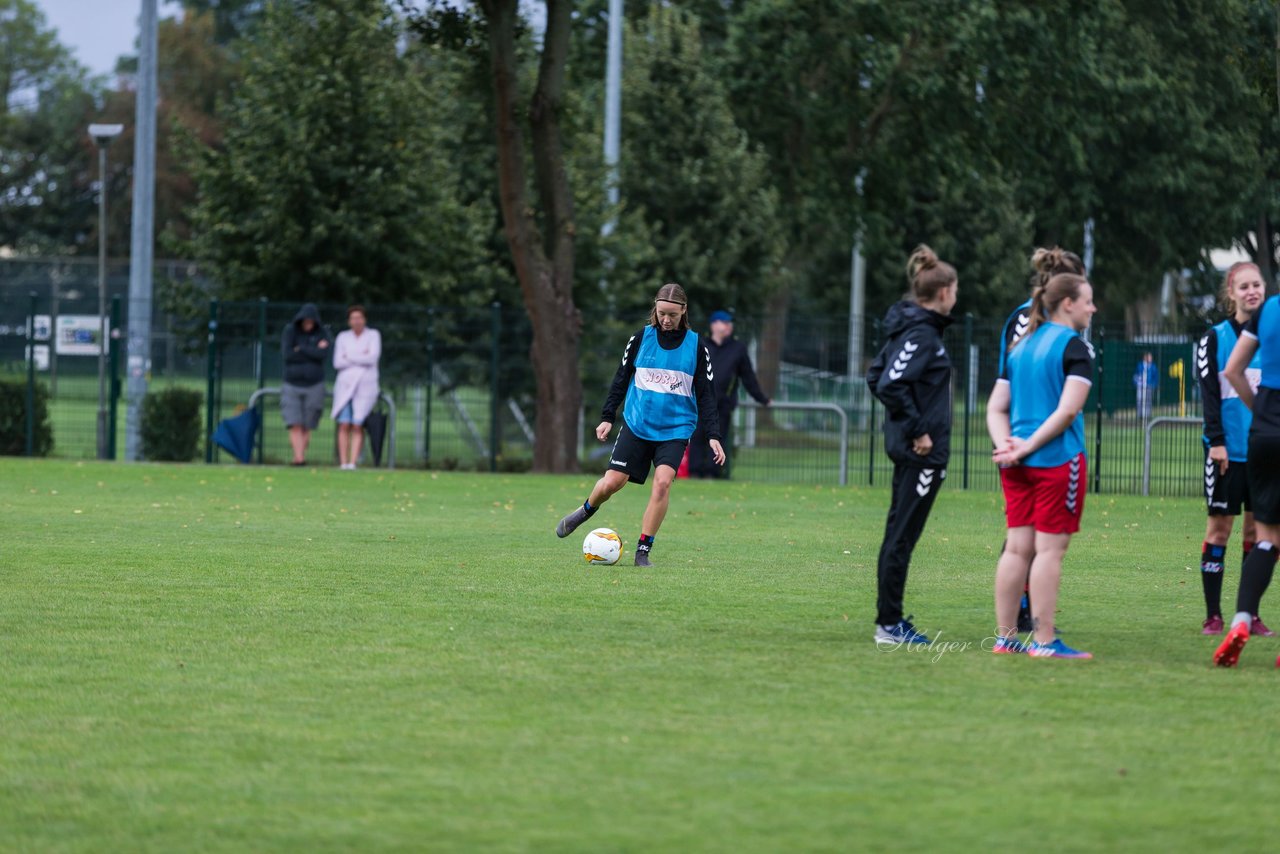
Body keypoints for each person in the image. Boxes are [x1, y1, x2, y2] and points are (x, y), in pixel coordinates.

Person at [555, 283, 724, 566]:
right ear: (655, 311)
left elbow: (707, 395)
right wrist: (608, 416)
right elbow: (621, 378)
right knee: (611, 483)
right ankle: (585, 510)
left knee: (662, 484)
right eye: (661, 314)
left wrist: (714, 435)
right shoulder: (640, 339)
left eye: (672, 314)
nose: (666, 320)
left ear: (684, 311)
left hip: (675, 430)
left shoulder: (697, 347)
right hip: (638, 425)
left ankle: (643, 551)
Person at [988, 271, 1097, 658]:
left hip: (1016, 465)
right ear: (1068, 303)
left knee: (1017, 549)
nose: (1092, 308)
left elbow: (995, 408)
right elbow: (1068, 412)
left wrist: (1008, 447)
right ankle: (1045, 642)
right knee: (1049, 551)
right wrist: (1028, 446)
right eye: (1087, 300)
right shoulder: (1073, 347)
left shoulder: (1020, 346)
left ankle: (1005, 639)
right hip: (1055, 461)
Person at [864, 245, 958, 646]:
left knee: (898, 535)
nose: (956, 296)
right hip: (921, 454)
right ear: (942, 293)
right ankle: (889, 625)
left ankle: (890, 620)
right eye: (954, 290)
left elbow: (875, 376)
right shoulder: (920, 334)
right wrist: (918, 431)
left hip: (914, 452)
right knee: (901, 537)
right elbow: (887, 383)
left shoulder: (912, 330)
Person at [1197, 262, 1271, 636]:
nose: (1251, 292)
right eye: (1243, 287)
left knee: (1257, 535)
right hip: (1227, 454)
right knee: (1220, 530)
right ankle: (1213, 614)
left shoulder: (1272, 336)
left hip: (1263, 454)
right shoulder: (1215, 338)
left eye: (1256, 285)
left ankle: (1249, 615)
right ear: (1232, 293)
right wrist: (1218, 442)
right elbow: (1210, 396)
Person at [1213, 280, 1280, 667]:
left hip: (1265, 433)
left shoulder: (1268, 309)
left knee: (1267, 540)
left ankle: (1239, 621)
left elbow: (1233, 369)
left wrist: (1261, 412)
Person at [688, 310, 770, 478]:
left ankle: (713, 473)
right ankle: (694, 473)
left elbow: (748, 377)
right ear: (714, 325)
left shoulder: (737, 349)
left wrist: (762, 399)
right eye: (724, 322)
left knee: (718, 439)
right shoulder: (701, 345)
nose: (728, 326)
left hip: (722, 406)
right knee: (696, 438)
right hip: (698, 403)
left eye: (729, 323)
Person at [280, 304, 331, 465]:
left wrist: (300, 348)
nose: (308, 324)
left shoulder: (323, 333)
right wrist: (312, 350)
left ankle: (299, 455)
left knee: (307, 425)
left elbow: (322, 354)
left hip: (314, 384)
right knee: (294, 423)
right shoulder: (290, 331)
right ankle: (299, 458)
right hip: (292, 383)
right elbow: (288, 355)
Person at [331, 305, 381, 470]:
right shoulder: (343, 337)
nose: (356, 321)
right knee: (344, 424)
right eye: (353, 318)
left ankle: (353, 462)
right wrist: (361, 356)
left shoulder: (373, 335)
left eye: (359, 317)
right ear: (349, 321)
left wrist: (350, 356)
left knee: (357, 424)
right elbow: (338, 362)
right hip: (345, 386)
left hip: (364, 387)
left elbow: (372, 358)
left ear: (364, 319)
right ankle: (343, 462)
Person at [1134, 352, 1158, 420]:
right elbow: (1136, 375)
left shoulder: (1153, 367)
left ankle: (1147, 415)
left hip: (1149, 386)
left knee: (1148, 401)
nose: (1149, 358)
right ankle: (1140, 415)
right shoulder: (1140, 365)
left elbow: (1155, 377)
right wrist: (1137, 382)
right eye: (1148, 357)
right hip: (1141, 386)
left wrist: (1153, 385)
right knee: (1139, 400)